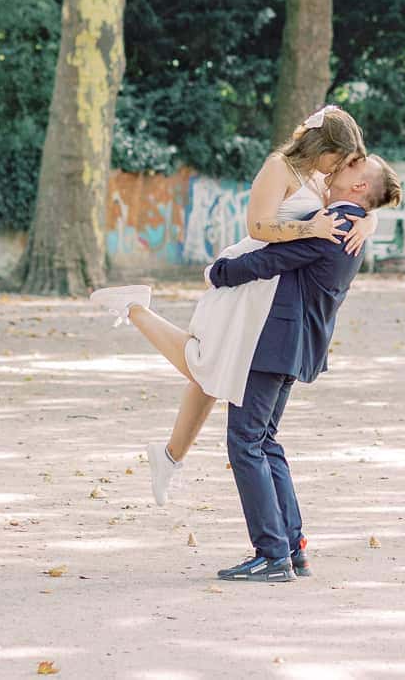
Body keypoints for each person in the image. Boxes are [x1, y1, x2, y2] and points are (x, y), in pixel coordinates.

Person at [95, 151, 402, 582]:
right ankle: (292, 549)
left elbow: (269, 260)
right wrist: (370, 219)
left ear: (358, 189)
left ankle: (273, 554)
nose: (342, 165)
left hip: (273, 344)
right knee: (265, 441)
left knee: (246, 443)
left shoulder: (335, 225)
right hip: (289, 346)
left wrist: (218, 271)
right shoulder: (350, 223)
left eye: (353, 167)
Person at [90, 105, 377, 508]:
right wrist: (308, 228)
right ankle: (136, 308)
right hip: (248, 279)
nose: (338, 169)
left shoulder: (317, 177)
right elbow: (257, 226)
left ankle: (171, 456)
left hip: (269, 292)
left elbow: (362, 193)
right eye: (338, 159)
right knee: (206, 364)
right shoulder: (280, 167)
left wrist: (369, 220)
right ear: (321, 146)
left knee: (213, 372)